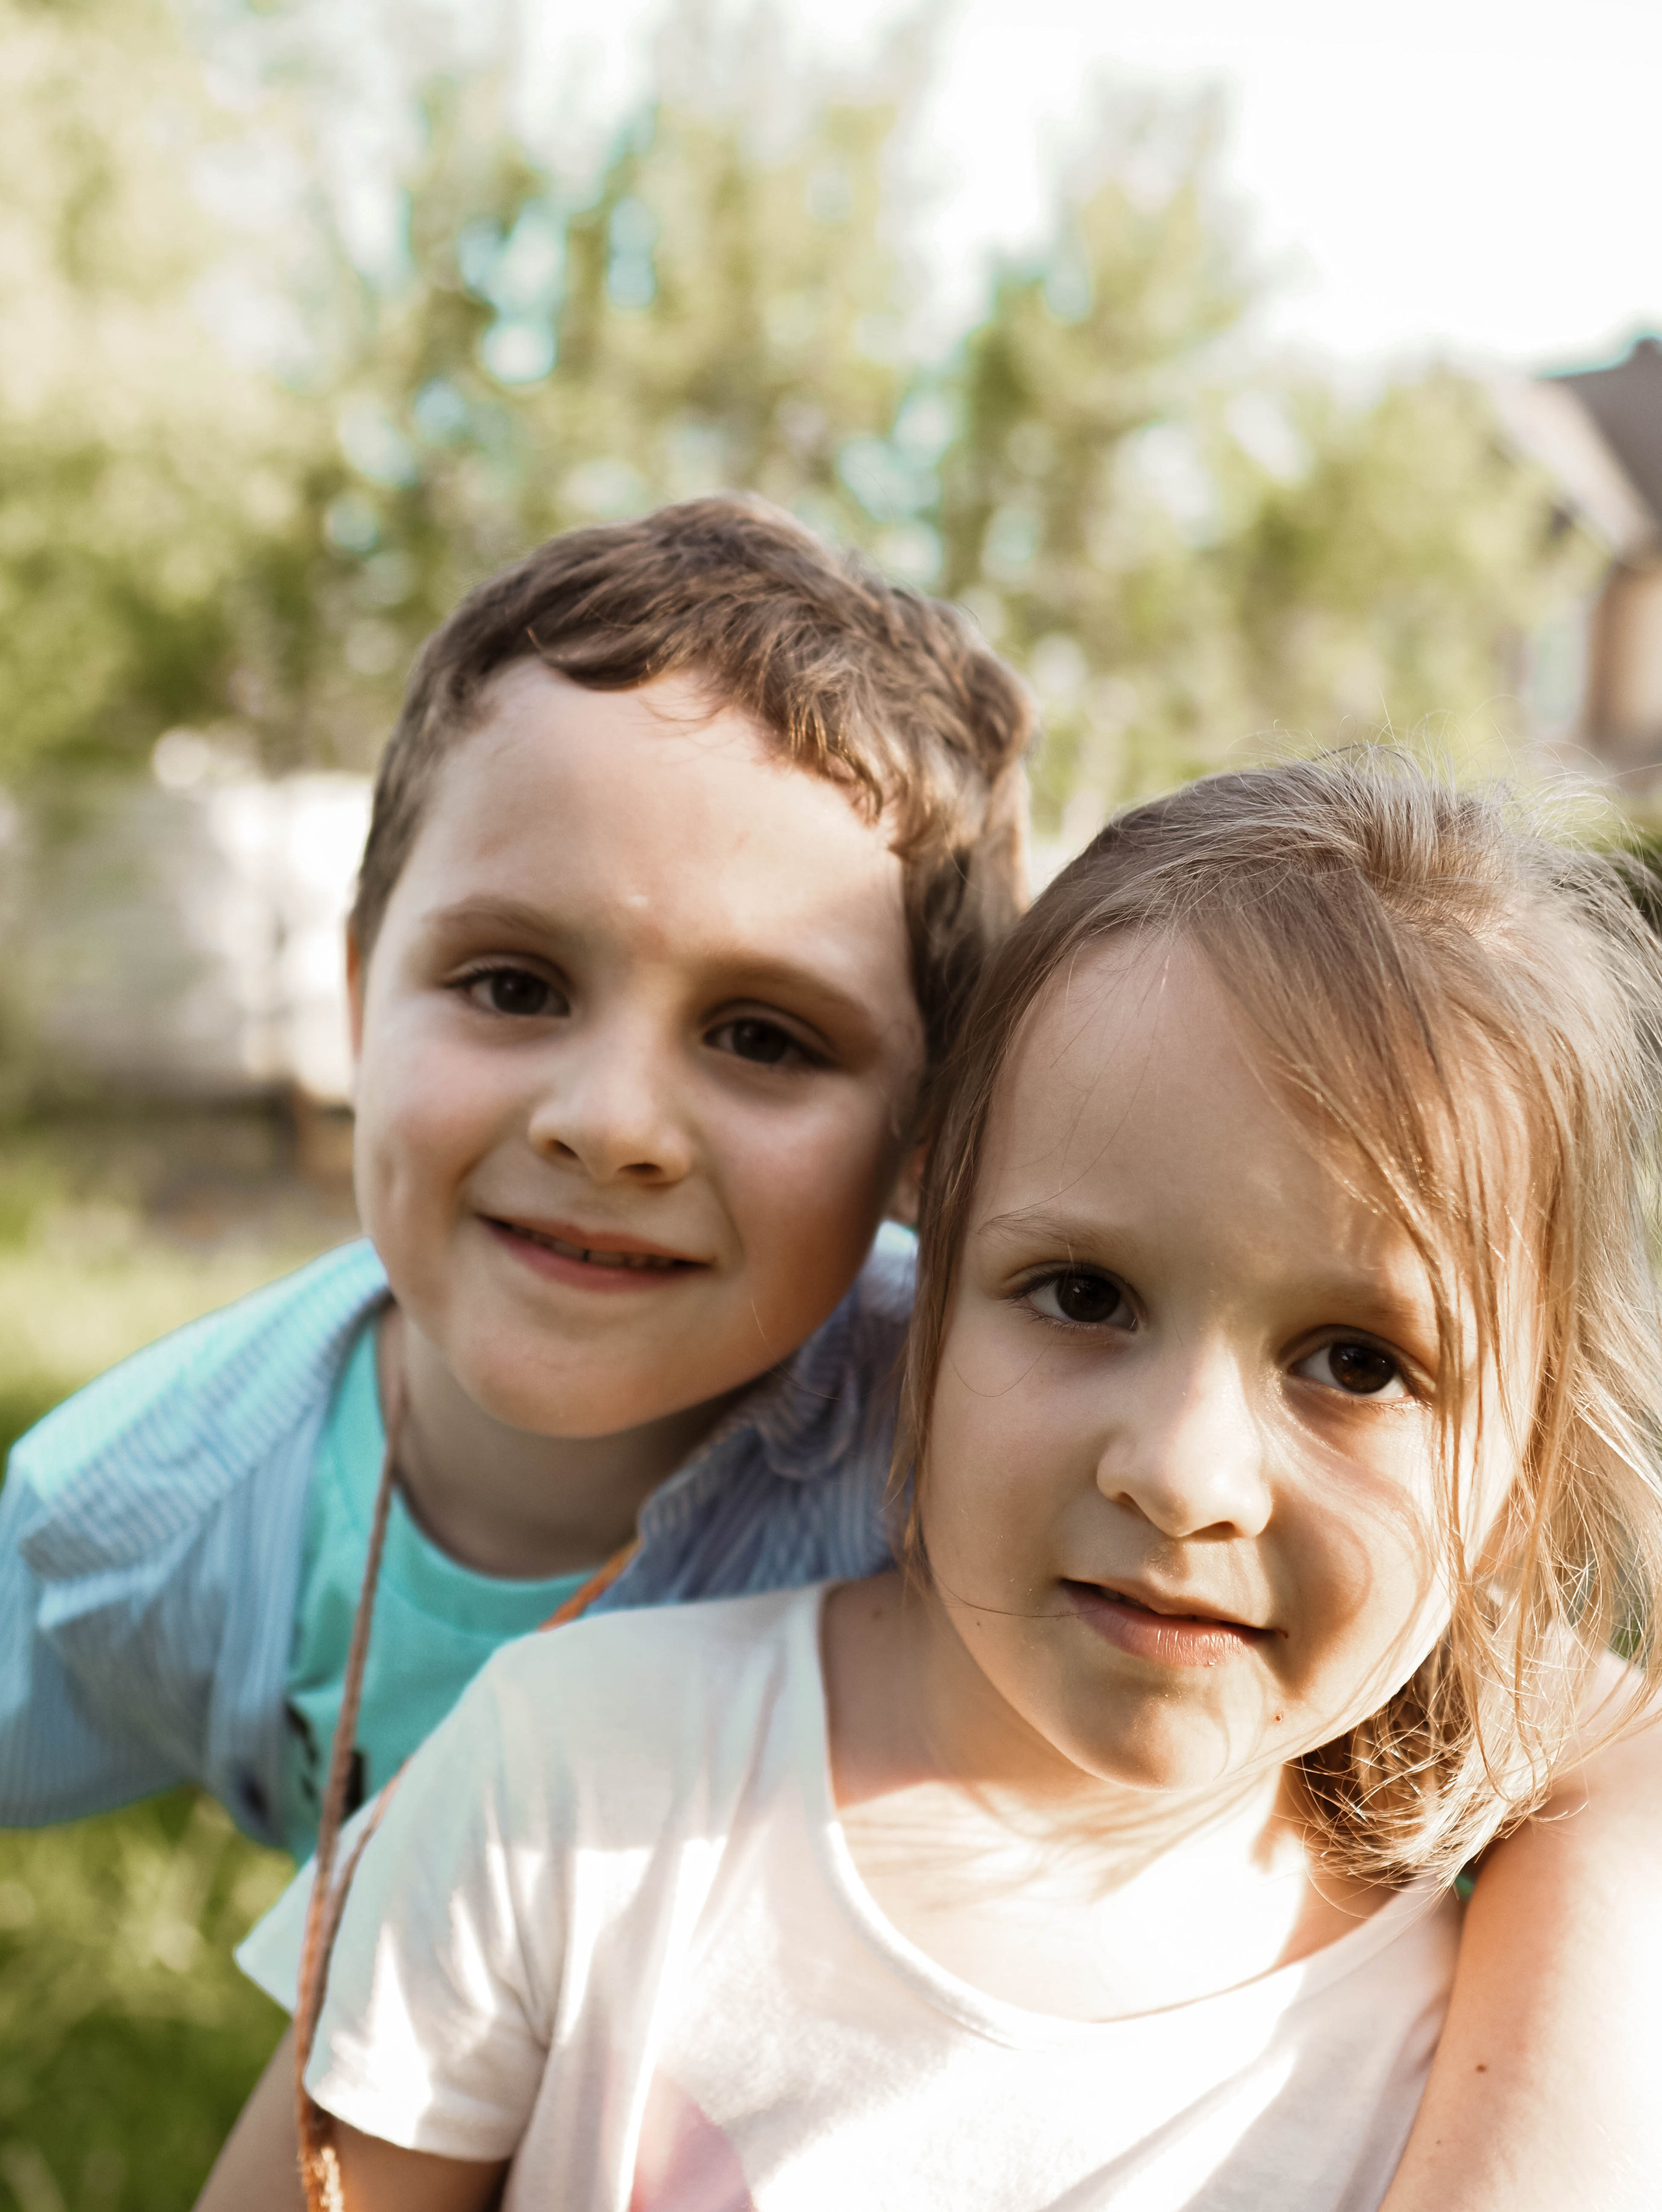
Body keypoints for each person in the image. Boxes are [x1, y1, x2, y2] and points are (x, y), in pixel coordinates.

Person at [223, 753, 1662, 2212]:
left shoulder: (1497, 2046)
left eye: (1355, 1364)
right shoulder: (567, 1784)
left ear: (1527, 1469)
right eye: (1083, 1294)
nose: (1178, 1474)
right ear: (920, 1316)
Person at [0, 494, 1031, 1857]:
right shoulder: (137, 1517)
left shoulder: (987, 1470)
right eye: (511, 985)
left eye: (762, 1038)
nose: (609, 1127)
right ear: (362, 1000)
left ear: (921, 1134)